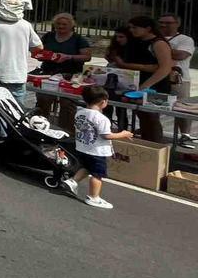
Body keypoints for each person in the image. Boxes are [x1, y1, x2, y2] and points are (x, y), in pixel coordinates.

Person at [62, 86, 133, 209]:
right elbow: (106, 135)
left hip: (82, 147)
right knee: (97, 175)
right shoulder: (102, 119)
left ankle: (72, 181)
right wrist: (123, 134)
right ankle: (93, 197)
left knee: (86, 167)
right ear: (103, 102)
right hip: (97, 151)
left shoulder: (79, 112)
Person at [0, 7, 41, 131]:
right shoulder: (25, 25)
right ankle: (15, 139)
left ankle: (2, 139)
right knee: (18, 111)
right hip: (18, 74)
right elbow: (38, 47)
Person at [114, 15, 173, 143]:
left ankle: (155, 146)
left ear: (148, 28)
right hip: (137, 85)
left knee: (152, 117)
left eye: (135, 27)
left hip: (156, 86)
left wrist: (145, 86)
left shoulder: (158, 43)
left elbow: (164, 68)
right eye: (130, 27)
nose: (132, 30)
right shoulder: (135, 42)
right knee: (142, 116)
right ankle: (145, 144)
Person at [33, 13, 92, 135]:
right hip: (48, 74)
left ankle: (66, 132)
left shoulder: (78, 39)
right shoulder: (48, 36)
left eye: (64, 24)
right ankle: (40, 129)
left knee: (68, 104)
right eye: (58, 24)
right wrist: (45, 56)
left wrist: (69, 57)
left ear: (71, 26)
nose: (60, 26)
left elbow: (87, 57)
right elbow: (40, 52)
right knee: (43, 99)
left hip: (71, 76)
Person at [158, 13, 194, 140]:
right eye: (161, 22)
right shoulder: (155, 38)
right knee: (153, 105)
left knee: (182, 108)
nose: (163, 25)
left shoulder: (185, 39)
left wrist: (159, 50)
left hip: (179, 80)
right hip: (158, 78)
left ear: (177, 24)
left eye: (168, 23)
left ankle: (185, 134)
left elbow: (181, 55)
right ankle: (155, 132)